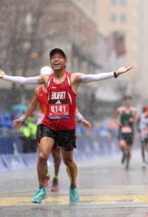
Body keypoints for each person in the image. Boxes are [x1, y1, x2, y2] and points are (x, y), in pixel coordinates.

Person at [0, 47, 132, 205]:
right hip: (48, 124)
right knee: (42, 156)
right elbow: (25, 80)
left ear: (65, 62)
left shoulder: (73, 78)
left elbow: (93, 77)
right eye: (53, 58)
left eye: (59, 57)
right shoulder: (45, 79)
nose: (55, 60)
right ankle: (41, 188)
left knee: (68, 161)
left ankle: (73, 186)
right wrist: (5, 77)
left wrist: (115, 73)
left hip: (67, 128)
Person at [12, 66, 92, 192]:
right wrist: (22, 118)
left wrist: (80, 118)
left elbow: (71, 106)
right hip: (44, 122)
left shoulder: (60, 88)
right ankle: (45, 178)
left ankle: (55, 177)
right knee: (42, 155)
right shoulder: (38, 91)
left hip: (60, 123)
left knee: (57, 155)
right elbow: (32, 106)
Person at [113, 95, 137, 170]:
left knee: (129, 150)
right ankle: (123, 153)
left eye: (129, 101)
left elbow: (136, 120)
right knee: (122, 145)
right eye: (126, 100)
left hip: (130, 131)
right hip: (122, 130)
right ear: (124, 101)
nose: (127, 102)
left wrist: (132, 120)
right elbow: (114, 117)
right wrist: (117, 123)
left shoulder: (134, 110)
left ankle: (127, 162)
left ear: (131, 101)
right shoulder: (120, 109)